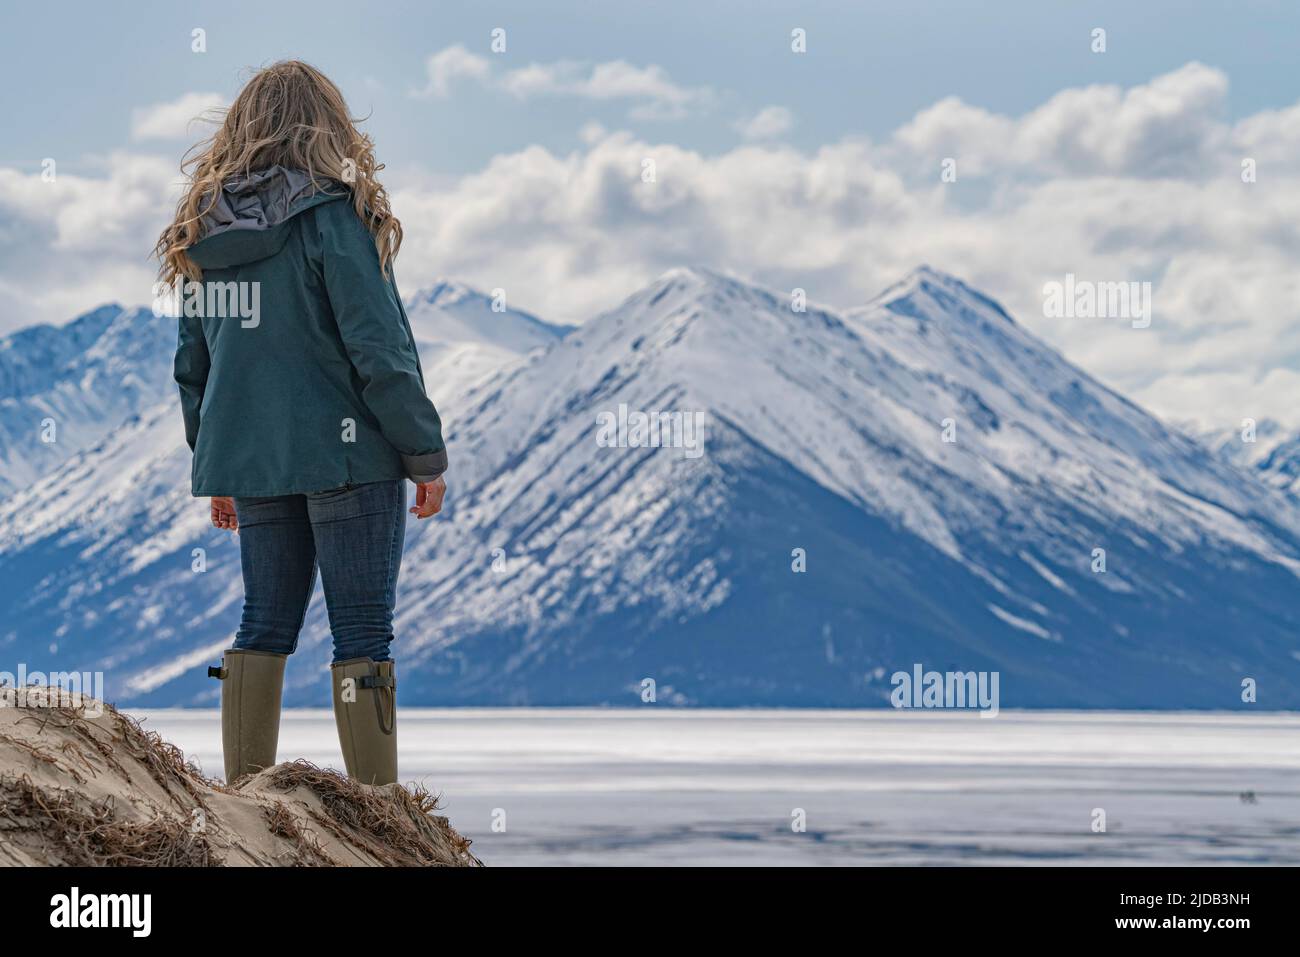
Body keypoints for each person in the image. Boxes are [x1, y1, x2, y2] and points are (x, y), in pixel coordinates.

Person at [156, 60, 447, 786]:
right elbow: (377, 347)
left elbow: (194, 366)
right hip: (349, 458)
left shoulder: (205, 233)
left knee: (264, 624)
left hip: (253, 462)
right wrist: (425, 453)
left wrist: (220, 465)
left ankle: (244, 805)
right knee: (361, 635)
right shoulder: (332, 217)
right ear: (328, 125)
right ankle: (379, 815)